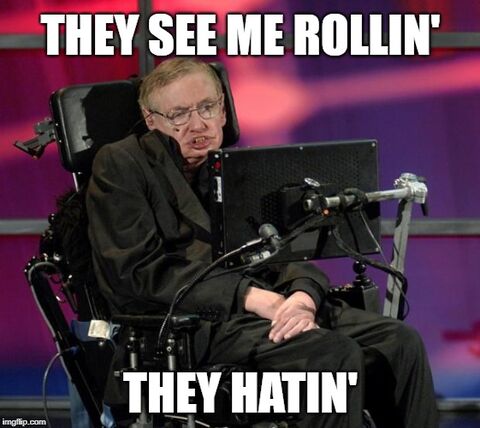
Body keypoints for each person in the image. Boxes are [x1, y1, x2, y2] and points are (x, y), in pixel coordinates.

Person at [86, 58, 438, 427]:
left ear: (223, 110)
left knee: (399, 342)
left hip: (259, 311)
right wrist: (257, 299)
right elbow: (139, 271)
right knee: (330, 355)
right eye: (179, 114)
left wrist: (302, 296)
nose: (198, 124)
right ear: (151, 118)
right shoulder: (121, 163)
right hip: (188, 326)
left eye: (207, 107)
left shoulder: (235, 166)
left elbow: (282, 250)